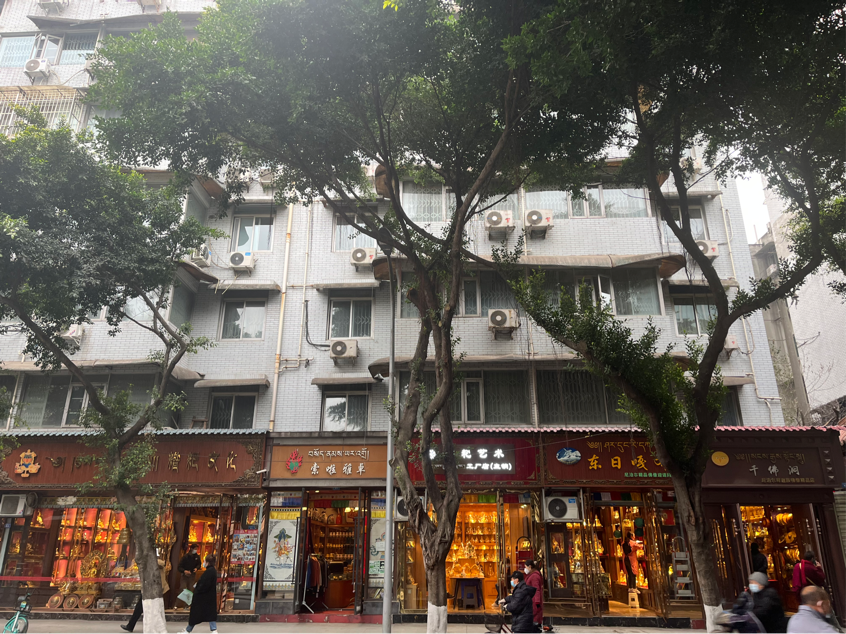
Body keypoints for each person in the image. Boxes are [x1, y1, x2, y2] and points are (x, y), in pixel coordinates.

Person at [121, 559, 169, 632]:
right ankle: (131, 625)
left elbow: (161, 564)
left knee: (146, 607)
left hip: (154, 588)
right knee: (141, 607)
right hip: (149, 588)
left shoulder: (157, 562)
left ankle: (131, 625)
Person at [178, 554, 218, 634]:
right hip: (209, 597)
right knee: (210, 614)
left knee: (195, 615)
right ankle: (214, 630)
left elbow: (204, 584)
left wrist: (197, 588)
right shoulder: (212, 571)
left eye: (204, 561)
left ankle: (188, 630)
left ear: (207, 562)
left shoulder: (209, 572)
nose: (203, 563)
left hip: (202, 597)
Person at [523, 559, 544, 633]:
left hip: (534, 602)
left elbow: (537, 589)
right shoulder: (531, 575)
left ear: (530, 566)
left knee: (534, 621)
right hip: (531, 600)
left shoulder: (534, 576)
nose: (525, 569)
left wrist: (537, 602)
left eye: (526, 567)